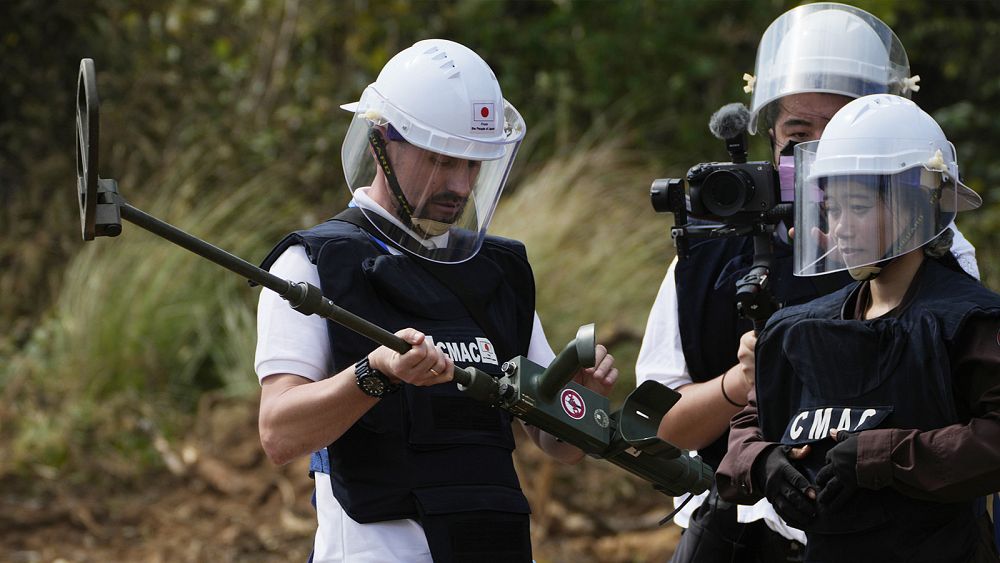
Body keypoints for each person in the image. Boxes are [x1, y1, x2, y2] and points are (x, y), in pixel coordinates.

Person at [635, 4, 980, 561]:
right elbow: (655, 430)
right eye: (798, 132)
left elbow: (963, 411)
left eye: (842, 127)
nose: (820, 152)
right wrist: (742, 383)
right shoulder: (705, 257)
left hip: (899, 535)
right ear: (769, 137)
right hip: (739, 531)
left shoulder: (934, 246)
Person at [253, 39, 618, 563]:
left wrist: (581, 400)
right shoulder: (311, 265)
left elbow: (558, 447)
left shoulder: (499, 273)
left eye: (473, 165)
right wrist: (375, 374)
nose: (459, 185)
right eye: (441, 160)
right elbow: (278, 433)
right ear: (381, 142)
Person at [717, 93, 1000, 562]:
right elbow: (752, 418)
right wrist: (762, 461)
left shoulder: (966, 321)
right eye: (832, 209)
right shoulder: (800, 328)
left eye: (860, 208)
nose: (841, 228)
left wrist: (883, 457)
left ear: (916, 210)